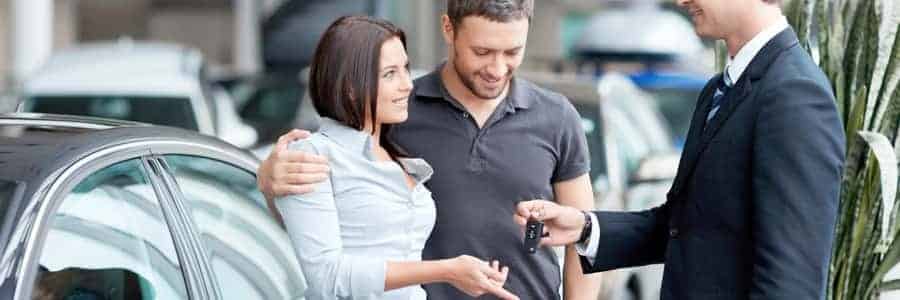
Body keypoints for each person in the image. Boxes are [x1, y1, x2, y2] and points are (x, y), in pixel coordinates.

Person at [258, 1, 602, 299]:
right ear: (448, 28)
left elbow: (583, 236)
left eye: (512, 52)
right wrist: (268, 180)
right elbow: (326, 212)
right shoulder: (396, 111)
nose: (498, 69)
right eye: (482, 52)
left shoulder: (556, 117)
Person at [514, 0, 846, 299]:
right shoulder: (718, 90)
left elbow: (791, 283)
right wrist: (585, 227)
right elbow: (681, 226)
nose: (681, 1)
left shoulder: (795, 95)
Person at [273, 15, 519, 300]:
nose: (408, 85)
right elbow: (327, 277)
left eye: (406, 69)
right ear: (350, 86)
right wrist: (446, 270)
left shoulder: (396, 154)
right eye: (390, 74)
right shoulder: (313, 155)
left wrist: (468, 272)